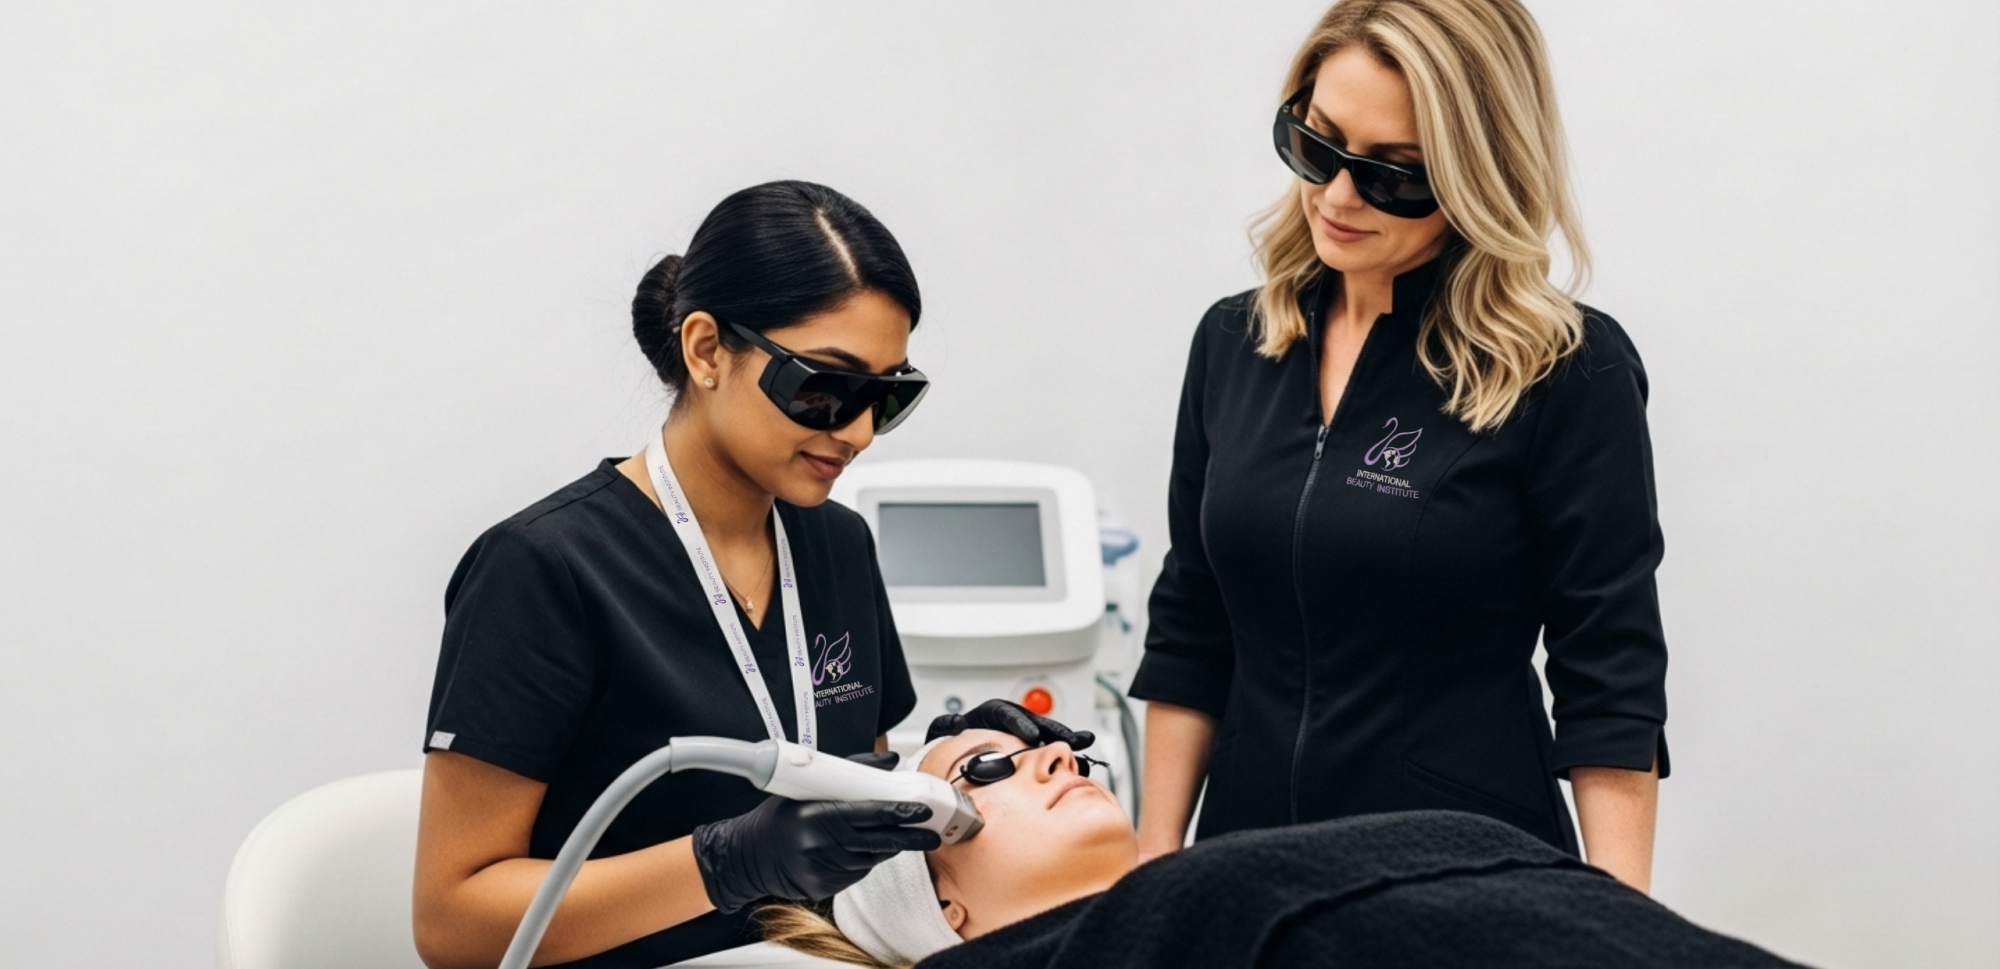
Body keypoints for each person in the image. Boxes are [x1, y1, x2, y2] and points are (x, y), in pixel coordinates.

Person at [1131, 0, 1671, 891]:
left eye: (1396, 174)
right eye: (1317, 145)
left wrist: (1620, 921)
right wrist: (1155, 863)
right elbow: (1194, 618)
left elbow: (1608, 676)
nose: (1338, 197)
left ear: (1479, 173)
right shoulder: (1235, 342)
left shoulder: (1567, 371)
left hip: (1463, 882)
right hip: (1246, 874)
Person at [413, 180, 951, 969]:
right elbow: (452, 923)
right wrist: (721, 863)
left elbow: (857, 808)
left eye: (889, 395)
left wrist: (970, 764)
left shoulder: (839, 546)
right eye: (827, 388)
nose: (861, 431)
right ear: (705, 350)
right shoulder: (545, 568)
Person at [759, 721, 1804, 969]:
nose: (1053, 754)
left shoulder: (1193, 900)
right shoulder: (1203, 908)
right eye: (982, 769)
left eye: (1039, 742)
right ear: (945, 911)